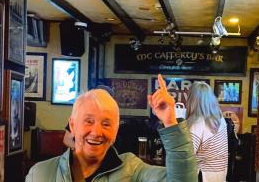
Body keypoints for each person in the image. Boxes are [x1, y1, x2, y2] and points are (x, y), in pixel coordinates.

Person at [26, 74, 197, 182]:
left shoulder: (132, 170)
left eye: (106, 124)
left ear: (115, 131)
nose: (96, 132)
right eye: (88, 121)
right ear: (72, 125)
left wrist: (170, 122)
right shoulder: (40, 173)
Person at [186, 81, 228, 182]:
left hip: (203, 175)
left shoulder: (197, 124)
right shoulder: (219, 118)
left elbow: (187, 156)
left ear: (192, 100)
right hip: (219, 174)